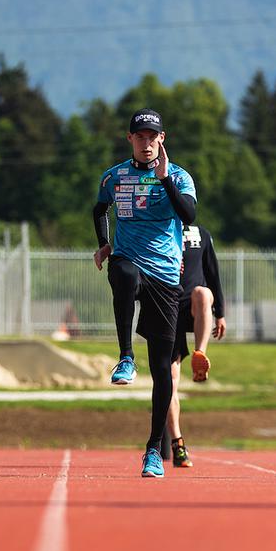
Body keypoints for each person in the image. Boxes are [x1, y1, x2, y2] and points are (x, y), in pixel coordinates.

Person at [93, 109, 197, 478]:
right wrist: (105, 244)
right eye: (140, 136)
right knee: (121, 272)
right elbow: (99, 209)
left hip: (166, 277)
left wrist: (165, 179)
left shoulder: (180, 176)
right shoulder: (115, 176)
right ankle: (124, 357)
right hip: (129, 260)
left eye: (152, 137)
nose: (146, 142)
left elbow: (188, 215)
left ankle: (154, 448)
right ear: (130, 139)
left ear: (162, 139)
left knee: (164, 370)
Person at [160, 223, 226, 468]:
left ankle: (201, 354)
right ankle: (178, 443)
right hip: (167, 306)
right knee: (169, 380)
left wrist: (220, 313)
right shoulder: (158, 228)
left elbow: (213, 273)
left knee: (202, 293)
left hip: (193, 306)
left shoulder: (201, 234)